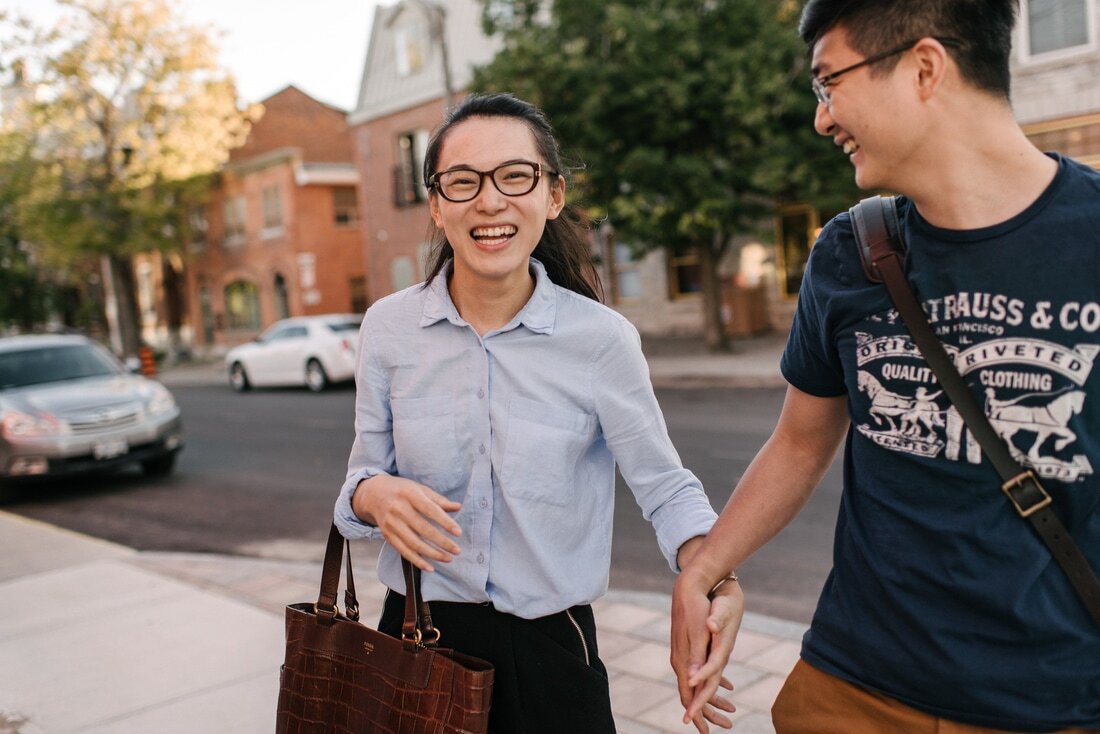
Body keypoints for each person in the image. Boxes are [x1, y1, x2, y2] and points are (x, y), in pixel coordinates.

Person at [671, 1, 1100, 732]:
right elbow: (800, 442)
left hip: (1050, 704)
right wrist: (704, 569)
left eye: (828, 83)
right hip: (854, 688)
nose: (821, 117)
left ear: (925, 68)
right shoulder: (850, 252)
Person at [334, 92, 732, 733]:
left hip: (552, 656)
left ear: (553, 195)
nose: (490, 202)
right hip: (414, 639)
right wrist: (373, 496)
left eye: (515, 176)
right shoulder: (388, 328)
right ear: (437, 206)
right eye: (462, 183)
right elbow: (355, 489)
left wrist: (716, 576)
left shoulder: (602, 341)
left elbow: (665, 489)